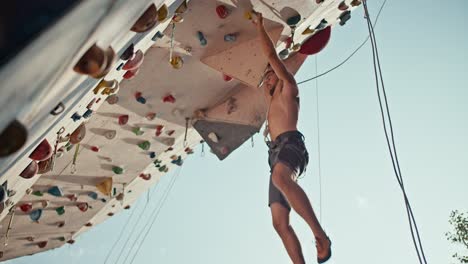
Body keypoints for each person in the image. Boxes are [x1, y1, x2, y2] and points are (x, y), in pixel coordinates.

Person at [253, 12, 332, 264]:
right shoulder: (271, 98)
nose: (267, 78)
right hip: (276, 153)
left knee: (280, 178)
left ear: (280, 73)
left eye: (270, 74)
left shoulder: (289, 88)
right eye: (265, 76)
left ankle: (321, 235)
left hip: (292, 145)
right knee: (278, 222)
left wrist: (259, 25)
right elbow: (267, 73)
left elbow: (271, 57)